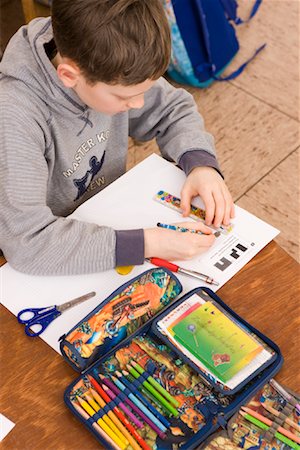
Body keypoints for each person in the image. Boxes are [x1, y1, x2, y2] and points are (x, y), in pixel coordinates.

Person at [0, 0, 234, 276]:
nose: (139, 104)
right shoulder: (14, 116)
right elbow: (28, 243)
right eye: (125, 97)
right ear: (69, 76)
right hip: (43, 252)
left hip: (106, 214)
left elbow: (173, 108)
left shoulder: (108, 58)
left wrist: (200, 163)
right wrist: (152, 243)